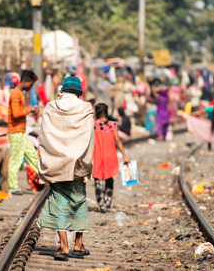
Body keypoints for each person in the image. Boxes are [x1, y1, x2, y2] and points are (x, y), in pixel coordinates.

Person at [38, 76, 95, 261]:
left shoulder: (50, 107)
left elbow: (44, 134)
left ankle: (63, 246)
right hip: (78, 164)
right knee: (78, 201)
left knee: (59, 202)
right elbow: (88, 136)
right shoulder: (86, 108)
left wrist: (52, 156)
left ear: (63, 90)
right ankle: (78, 244)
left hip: (56, 162)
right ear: (79, 92)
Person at [93, 103, 131, 213]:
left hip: (98, 157)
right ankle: (108, 201)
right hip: (110, 156)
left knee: (98, 181)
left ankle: (102, 205)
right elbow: (118, 140)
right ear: (106, 112)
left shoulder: (93, 125)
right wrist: (124, 155)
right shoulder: (113, 125)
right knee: (109, 179)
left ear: (96, 112)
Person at [7, 70, 39, 195]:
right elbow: (16, 113)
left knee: (32, 155)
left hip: (21, 131)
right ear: (25, 82)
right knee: (16, 159)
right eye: (30, 84)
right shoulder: (16, 94)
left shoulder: (19, 93)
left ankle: (45, 179)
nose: (30, 87)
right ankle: (13, 187)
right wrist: (29, 110)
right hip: (16, 131)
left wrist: (27, 110)